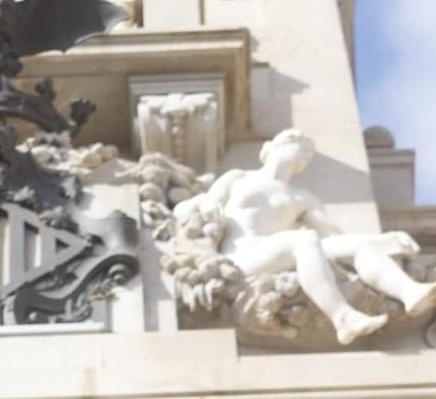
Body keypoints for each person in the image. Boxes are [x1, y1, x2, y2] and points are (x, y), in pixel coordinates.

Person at [175, 127, 436, 345]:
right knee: (304, 239)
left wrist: (384, 241)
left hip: (282, 253)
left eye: (307, 149)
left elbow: (334, 235)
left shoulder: (302, 198)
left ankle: (409, 292)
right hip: (240, 260)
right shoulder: (239, 178)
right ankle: (343, 317)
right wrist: (203, 205)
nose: (301, 150)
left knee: (360, 243)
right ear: (270, 148)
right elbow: (188, 209)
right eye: (293, 141)